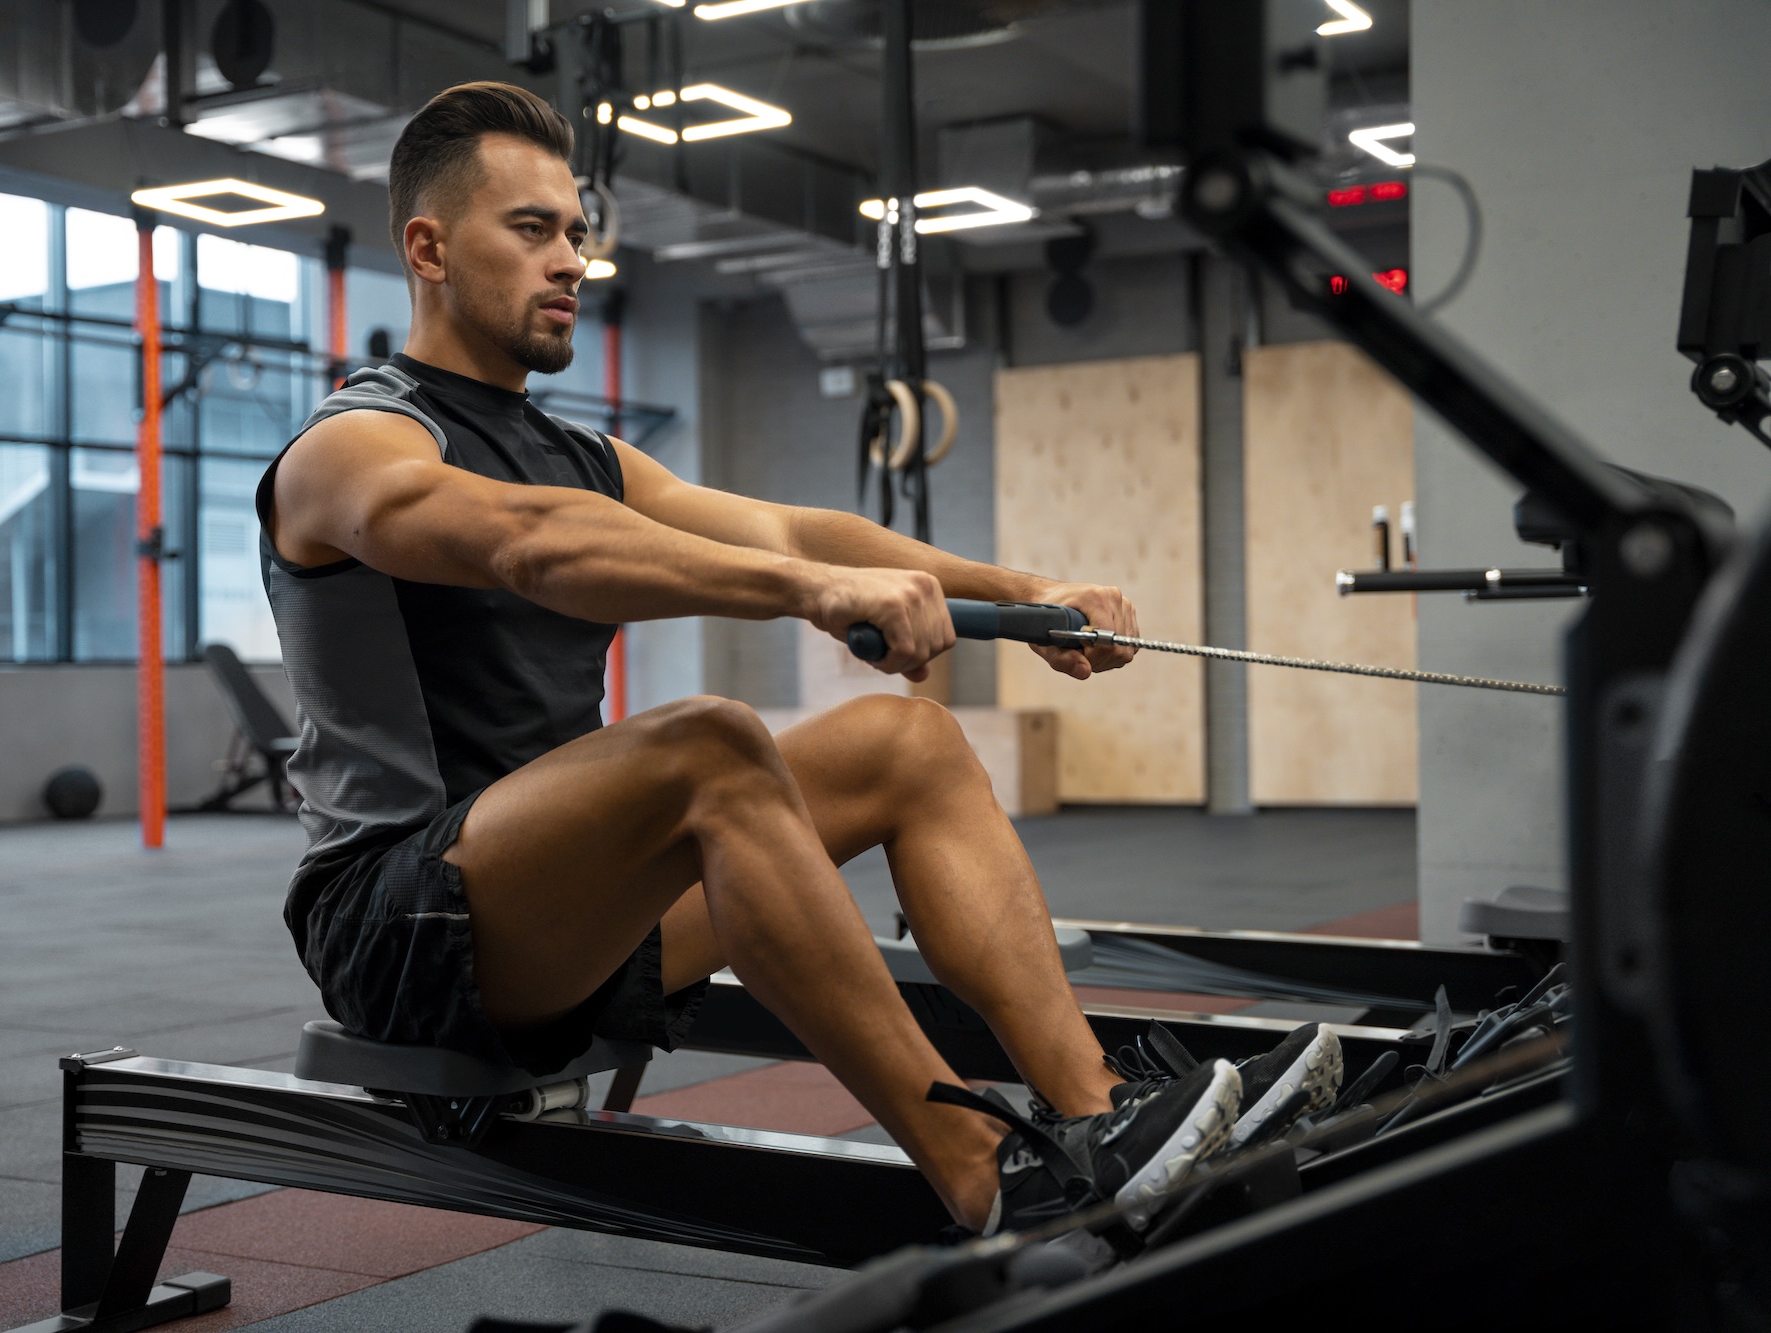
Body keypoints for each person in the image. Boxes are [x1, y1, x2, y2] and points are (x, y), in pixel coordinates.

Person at [259, 80, 1341, 1241]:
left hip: (577, 912)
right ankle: (981, 1170)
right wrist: (807, 597)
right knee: (708, 742)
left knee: (905, 741)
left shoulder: (581, 452)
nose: (570, 259)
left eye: (575, 231)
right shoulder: (352, 445)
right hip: (400, 925)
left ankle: (1102, 1116)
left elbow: (791, 530)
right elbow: (528, 544)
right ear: (427, 247)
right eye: (531, 231)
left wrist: (1027, 592)